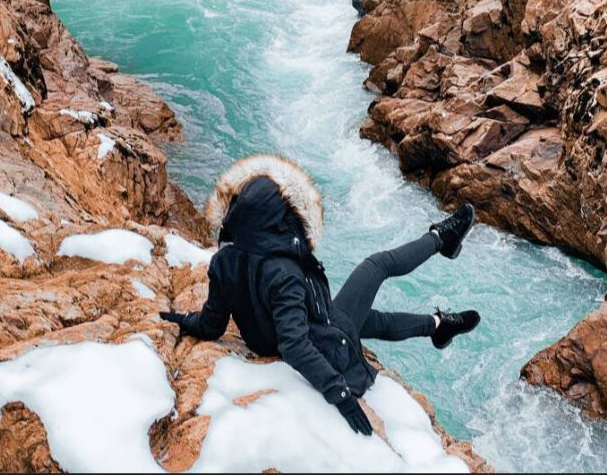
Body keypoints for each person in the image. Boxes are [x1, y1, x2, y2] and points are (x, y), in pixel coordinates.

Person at [158, 154, 480, 436]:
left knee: (367, 319)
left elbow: (212, 323)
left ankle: (438, 326)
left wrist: (186, 321)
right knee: (377, 265)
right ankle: (442, 237)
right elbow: (294, 344)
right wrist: (339, 394)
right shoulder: (283, 272)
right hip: (322, 344)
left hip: (290, 327)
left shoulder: (225, 260)